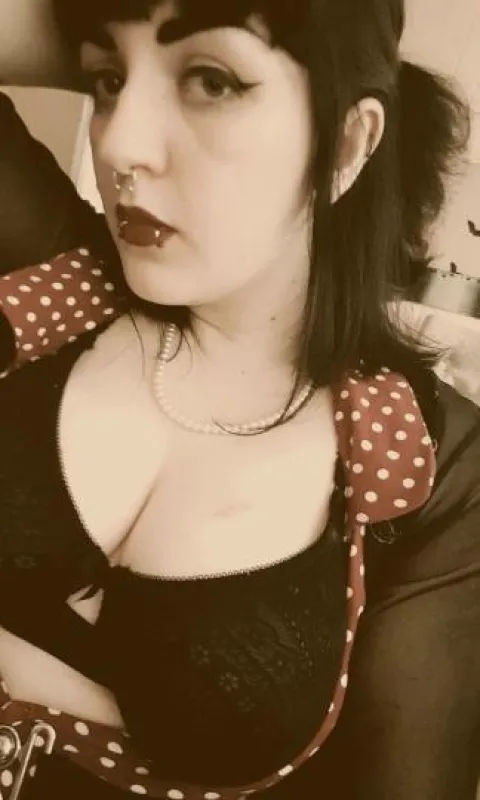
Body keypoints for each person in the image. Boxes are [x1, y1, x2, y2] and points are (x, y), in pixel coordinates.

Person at [0, 1, 479, 798]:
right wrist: (118, 22)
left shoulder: (430, 464)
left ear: (347, 143)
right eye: (108, 83)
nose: (117, 143)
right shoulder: (62, 282)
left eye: (212, 82)